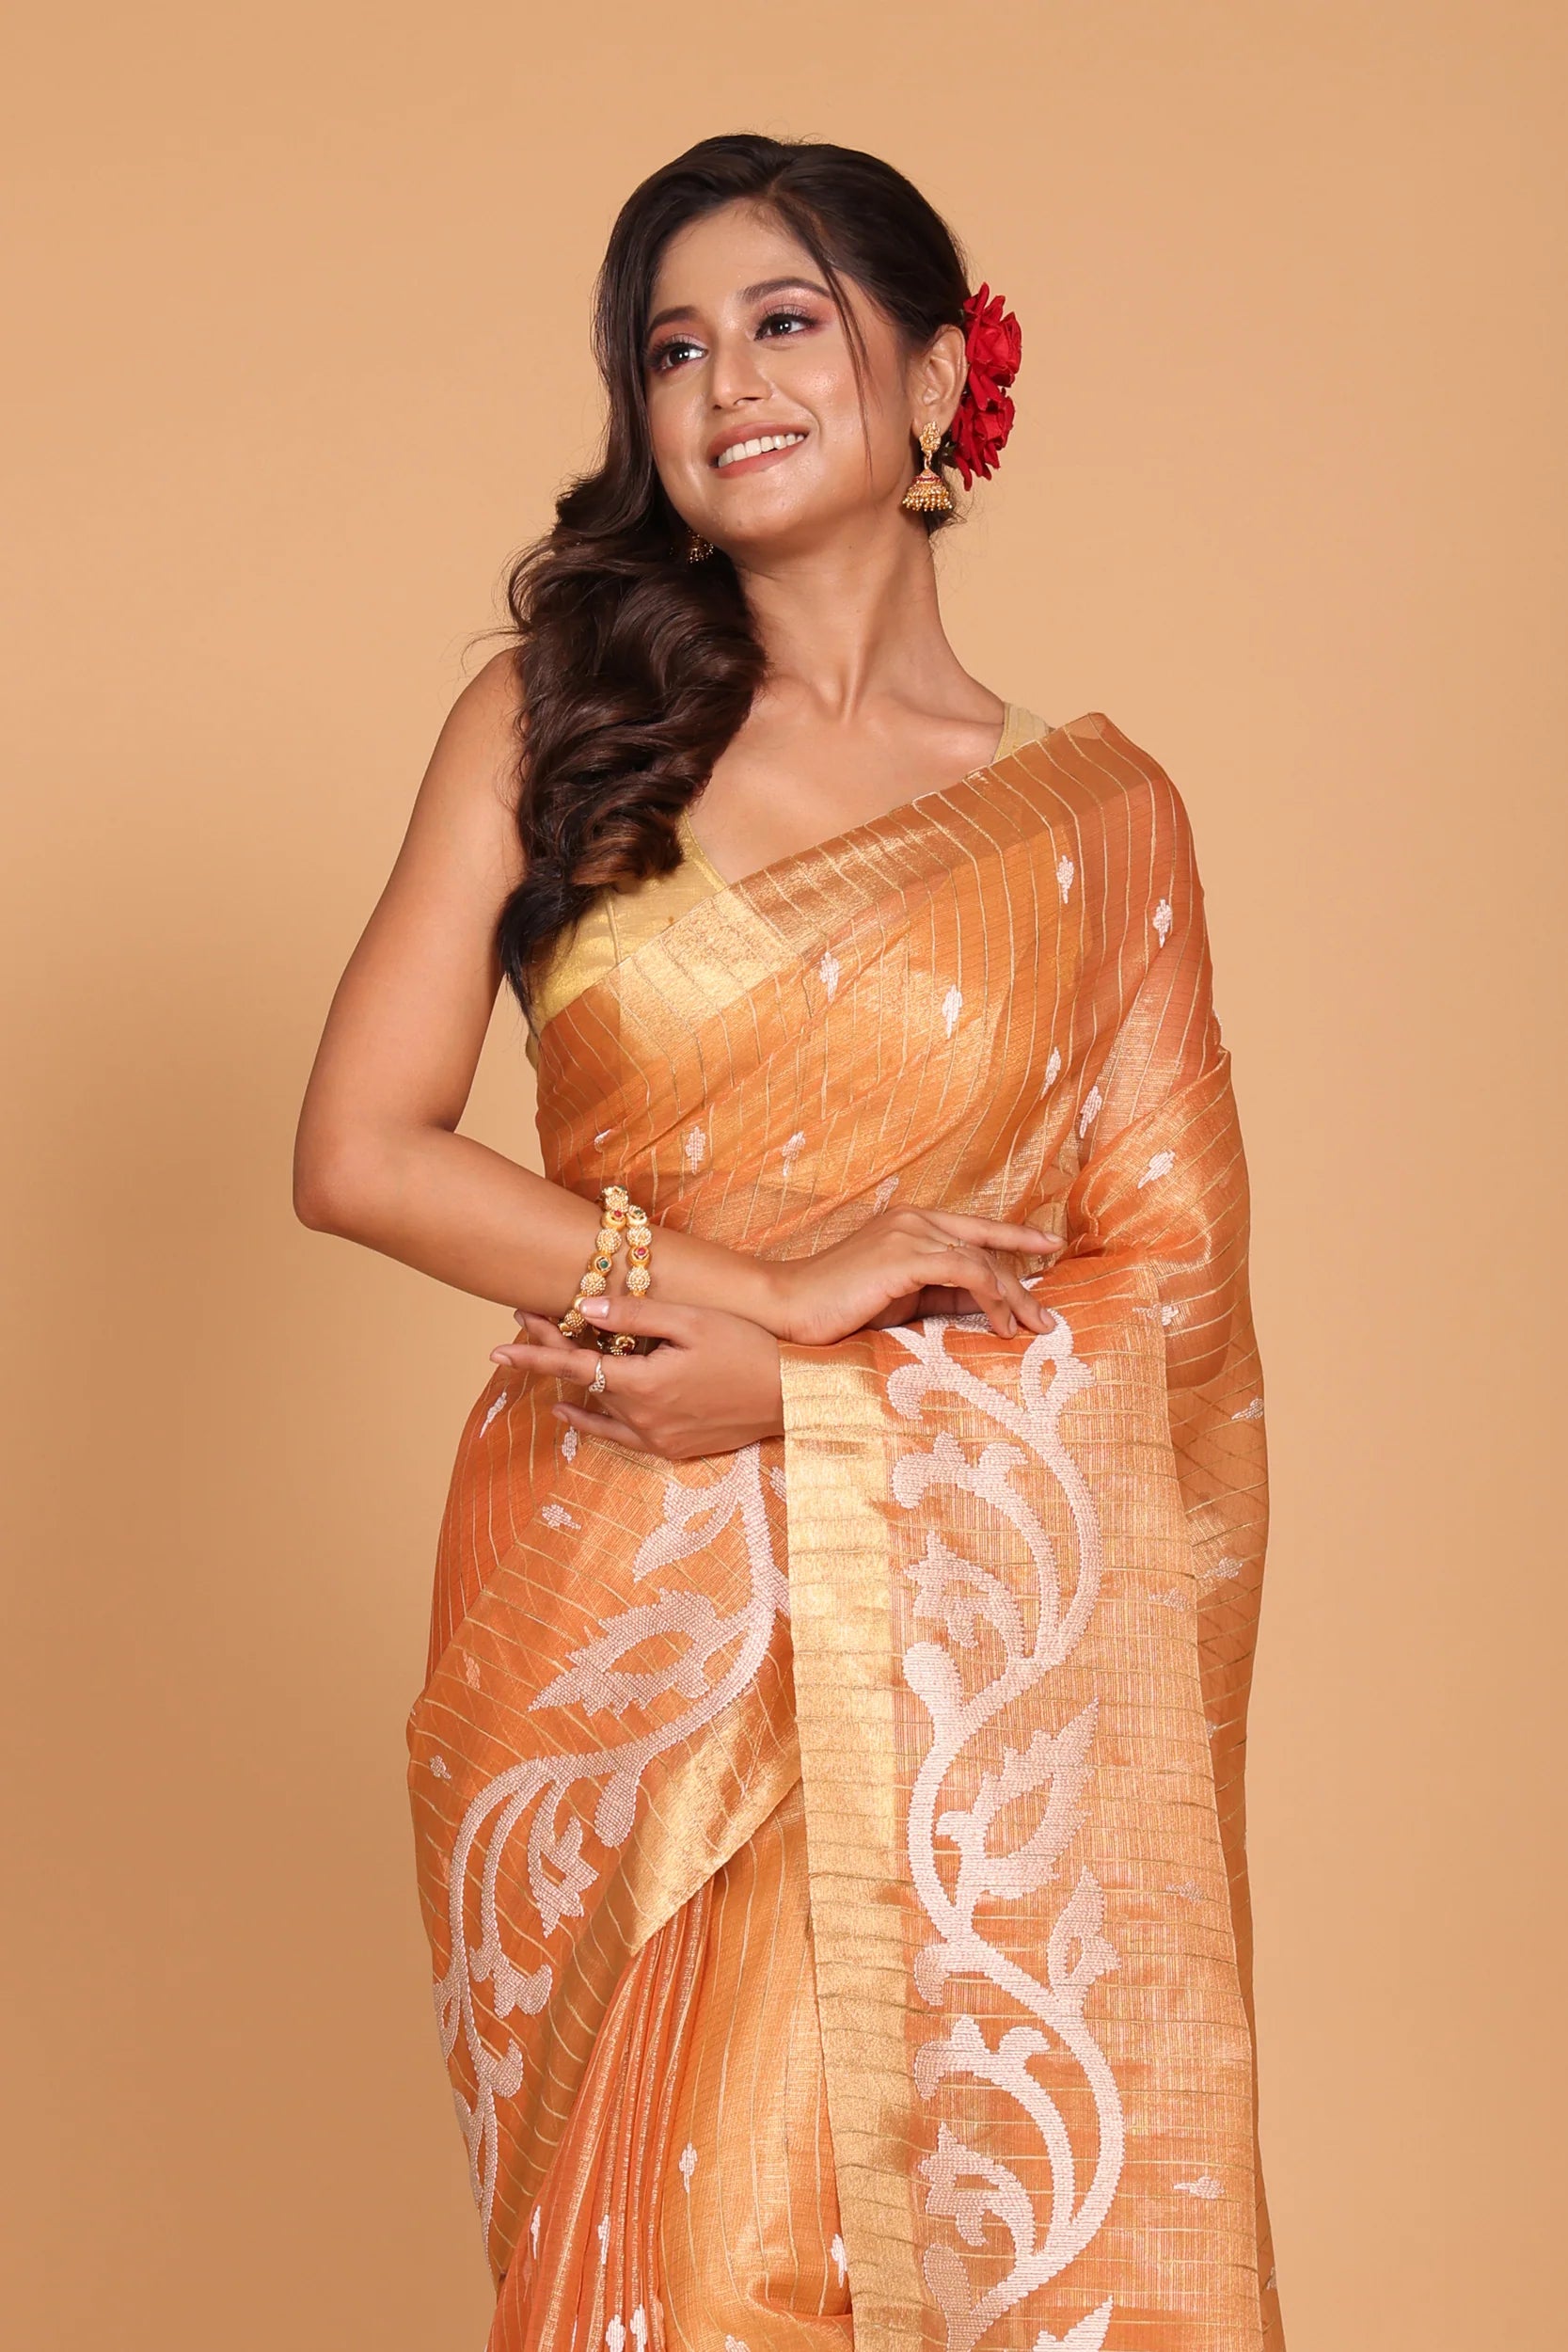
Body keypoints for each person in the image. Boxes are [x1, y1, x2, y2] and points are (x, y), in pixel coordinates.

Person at [293, 131, 1284, 2352]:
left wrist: (820, 1406)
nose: (723, 380)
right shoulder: (554, 721)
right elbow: (357, 1149)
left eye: (781, 321)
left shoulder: (1103, 827)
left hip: (930, 1652)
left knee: (814, 2238)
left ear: (935, 378)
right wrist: (756, 1305)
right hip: (606, 1604)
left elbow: (1168, 1295)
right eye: (671, 349)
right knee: (650, 2255)